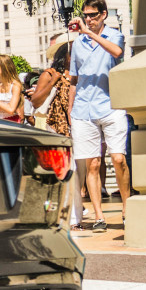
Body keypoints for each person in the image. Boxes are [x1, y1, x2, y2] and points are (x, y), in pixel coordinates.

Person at [67, 0, 131, 230]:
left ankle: (126, 208)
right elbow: (74, 79)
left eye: (93, 15)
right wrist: (70, 109)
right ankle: (99, 216)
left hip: (111, 105)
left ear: (103, 14)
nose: (88, 19)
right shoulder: (77, 45)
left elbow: (116, 52)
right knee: (92, 164)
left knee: (118, 159)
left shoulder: (114, 34)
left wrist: (89, 33)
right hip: (83, 109)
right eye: (85, 15)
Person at [31, 40, 84, 229]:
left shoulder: (79, 75)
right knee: (59, 173)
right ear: (66, 56)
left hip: (77, 127)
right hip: (54, 130)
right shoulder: (50, 74)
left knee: (75, 173)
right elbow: (35, 101)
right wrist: (53, 82)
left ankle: (75, 218)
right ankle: (55, 215)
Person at [0, 54, 25, 122]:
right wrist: (4, 107)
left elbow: (11, 110)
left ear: (6, 66)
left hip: (12, 121)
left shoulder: (15, 85)